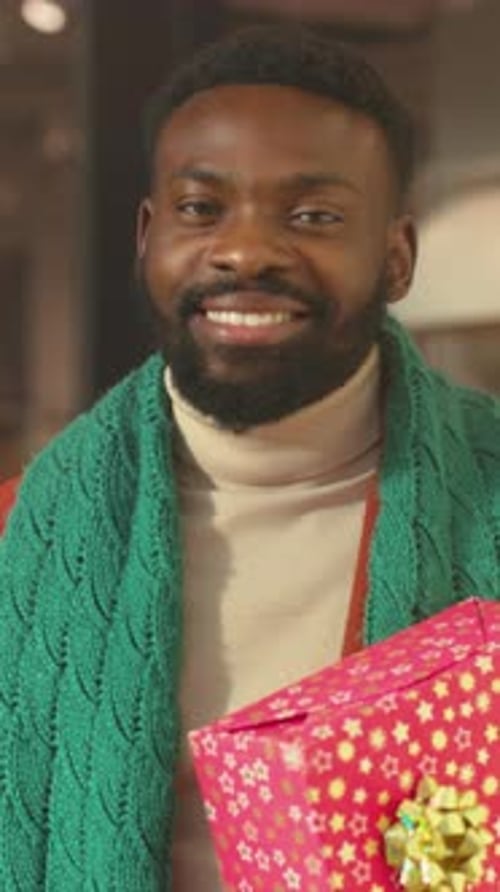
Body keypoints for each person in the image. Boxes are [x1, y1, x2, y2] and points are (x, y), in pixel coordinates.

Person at [0, 24, 499, 892]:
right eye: (202, 209)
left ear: (397, 256)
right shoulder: (24, 535)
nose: (246, 251)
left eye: (313, 215)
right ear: (147, 237)